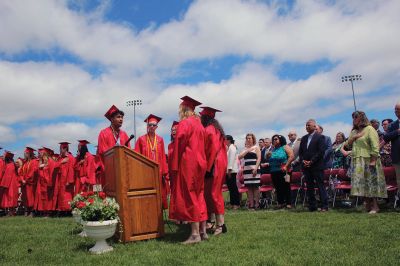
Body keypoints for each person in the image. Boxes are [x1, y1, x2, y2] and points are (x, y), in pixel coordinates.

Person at [169, 96, 208, 244]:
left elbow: (179, 144)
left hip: (189, 163)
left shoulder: (185, 123)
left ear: (183, 110)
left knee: (190, 195)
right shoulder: (199, 124)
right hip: (200, 162)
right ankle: (203, 231)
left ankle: (195, 234)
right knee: (199, 195)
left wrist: (175, 165)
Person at [345, 111, 387, 213]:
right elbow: (346, 145)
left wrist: (373, 160)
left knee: (371, 182)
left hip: (369, 159)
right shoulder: (354, 132)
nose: (354, 119)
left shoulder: (370, 129)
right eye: (353, 117)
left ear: (362, 118)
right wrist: (354, 137)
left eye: (356, 117)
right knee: (362, 184)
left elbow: (375, 146)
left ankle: (375, 206)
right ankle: (367, 205)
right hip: (357, 161)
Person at [200, 106, 228, 236]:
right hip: (219, 164)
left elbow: (212, 150)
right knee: (211, 193)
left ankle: (221, 225)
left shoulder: (210, 130)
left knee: (214, 194)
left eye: (201, 116)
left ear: (205, 118)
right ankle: (211, 221)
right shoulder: (217, 129)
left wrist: (207, 167)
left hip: (214, 164)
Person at [135, 114, 169, 209]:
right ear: (147, 126)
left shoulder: (160, 140)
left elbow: (162, 156)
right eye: (150, 125)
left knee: (159, 192)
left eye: (154, 125)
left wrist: (164, 171)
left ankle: (158, 212)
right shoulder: (141, 139)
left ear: (157, 127)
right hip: (146, 171)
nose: (152, 127)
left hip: (158, 171)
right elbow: (137, 156)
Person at [97, 105, 131, 187]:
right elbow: (103, 152)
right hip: (109, 171)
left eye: (122, 117)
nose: (121, 119)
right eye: (118, 117)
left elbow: (129, 152)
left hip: (123, 171)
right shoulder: (104, 133)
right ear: (112, 119)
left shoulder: (124, 134)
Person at [299, 119, 329, 212]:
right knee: (309, 186)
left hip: (317, 166)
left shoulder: (320, 137)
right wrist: (303, 160)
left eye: (309, 125)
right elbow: (301, 152)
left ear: (314, 126)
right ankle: (312, 206)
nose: (307, 127)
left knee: (320, 185)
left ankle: (324, 205)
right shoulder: (304, 138)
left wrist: (311, 161)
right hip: (306, 166)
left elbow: (321, 151)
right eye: (306, 125)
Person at [268, 134, 294, 209]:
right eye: (273, 139)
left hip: (284, 170)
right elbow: (268, 158)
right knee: (278, 187)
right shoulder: (272, 149)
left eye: (276, 139)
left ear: (281, 139)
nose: (274, 140)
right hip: (274, 171)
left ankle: (288, 203)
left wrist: (286, 166)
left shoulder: (285, 147)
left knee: (286, 187)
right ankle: (280, 202)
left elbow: (291, 156)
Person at [238, 133, 261, 210]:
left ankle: (257, 204)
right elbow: (239, 157)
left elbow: (259, 159)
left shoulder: (256, 148)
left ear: (253, 139)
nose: (248, 140)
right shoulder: (244, 149)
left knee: (255, 187)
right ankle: (251, 204)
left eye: (249, 138)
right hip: (247, 170)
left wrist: (256, 168)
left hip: (254, 168)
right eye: (247, 138)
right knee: (249, 188)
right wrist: (247, 150)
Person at [34, 148, 56, 216]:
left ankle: (48, 212)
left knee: (47, 198)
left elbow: (52, 173)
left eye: (40, 153)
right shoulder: (41, 162)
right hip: (41, 183)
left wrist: (50, 182)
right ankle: (44, 212)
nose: (39, 154)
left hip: (47, 183)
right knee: (43, 198)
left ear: (44, 154)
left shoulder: (50, 162)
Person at [55, 142, 75, 215]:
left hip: (67, 180)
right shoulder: (60, 158)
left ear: (65, 149)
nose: (60, 150)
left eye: (61, 149)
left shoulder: (71, 158)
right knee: (61, 195)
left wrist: (69, 181)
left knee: (67, 195)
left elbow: (71, 170)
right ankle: (62, 210)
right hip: (61, 180)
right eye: (60, 149)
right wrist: (61, 162)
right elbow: (55, 166)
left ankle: (68, 211)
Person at [383, 102, 400, 190]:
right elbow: (386, 136)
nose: (396, 111)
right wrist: (397, 131)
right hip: (397, 157)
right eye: (395, 109)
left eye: (398, 109)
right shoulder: (393, 125)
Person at [20, 147, 39, 216]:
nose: (24, 155)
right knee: (25, 197)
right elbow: (21, 172)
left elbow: (32, 172)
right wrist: (22, 179)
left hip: (30, 183)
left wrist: (26, 180)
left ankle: (32, 211)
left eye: (26, 153)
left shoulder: (34, 162)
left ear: (29, 154)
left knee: (31, 197)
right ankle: (26, 210)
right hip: (24, 183)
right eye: (24, 153)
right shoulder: (25, 163)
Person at [0, 151, 18, 216]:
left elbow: (8, 175)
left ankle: (11, 212)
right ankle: (10, 212)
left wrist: (3, 183)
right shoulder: (9, 164)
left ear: (8, 157)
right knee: (9, 197)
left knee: (11, 197)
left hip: (11, 183)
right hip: (9, 183)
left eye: (4, 156)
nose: (3, 157)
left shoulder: (10, 165)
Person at [225, 135, 240, 210]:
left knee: (233, 187)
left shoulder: (232, 147)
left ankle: (236, 203)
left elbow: (231, 159)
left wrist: (229, 170)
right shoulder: (228, 148)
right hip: (228, 170)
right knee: (230, 187)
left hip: (231, 171)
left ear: (228, 140)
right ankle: (232, 203)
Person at [167, 121, 179, 193]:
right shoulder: (169, 145)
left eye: (175, 130)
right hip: (172, 172)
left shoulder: (181, 143)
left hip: (179, 171)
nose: (174, 131)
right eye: (172, 130)